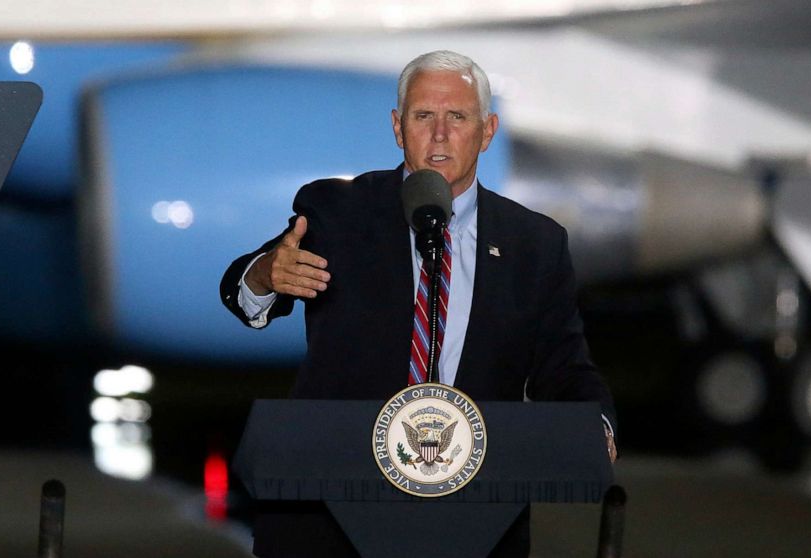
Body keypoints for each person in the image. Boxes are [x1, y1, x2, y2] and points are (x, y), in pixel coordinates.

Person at [221, 50, 616, 557]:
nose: (440, 134)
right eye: (423, 116)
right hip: (330, 514)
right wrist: (266, 274)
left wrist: (597, 428)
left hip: (477, 518)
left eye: (458, 117)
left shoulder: (534, 243)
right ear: (397, 126)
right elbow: (242, 289)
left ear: (488, 130)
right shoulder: (337, 212)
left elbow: (564, 368)